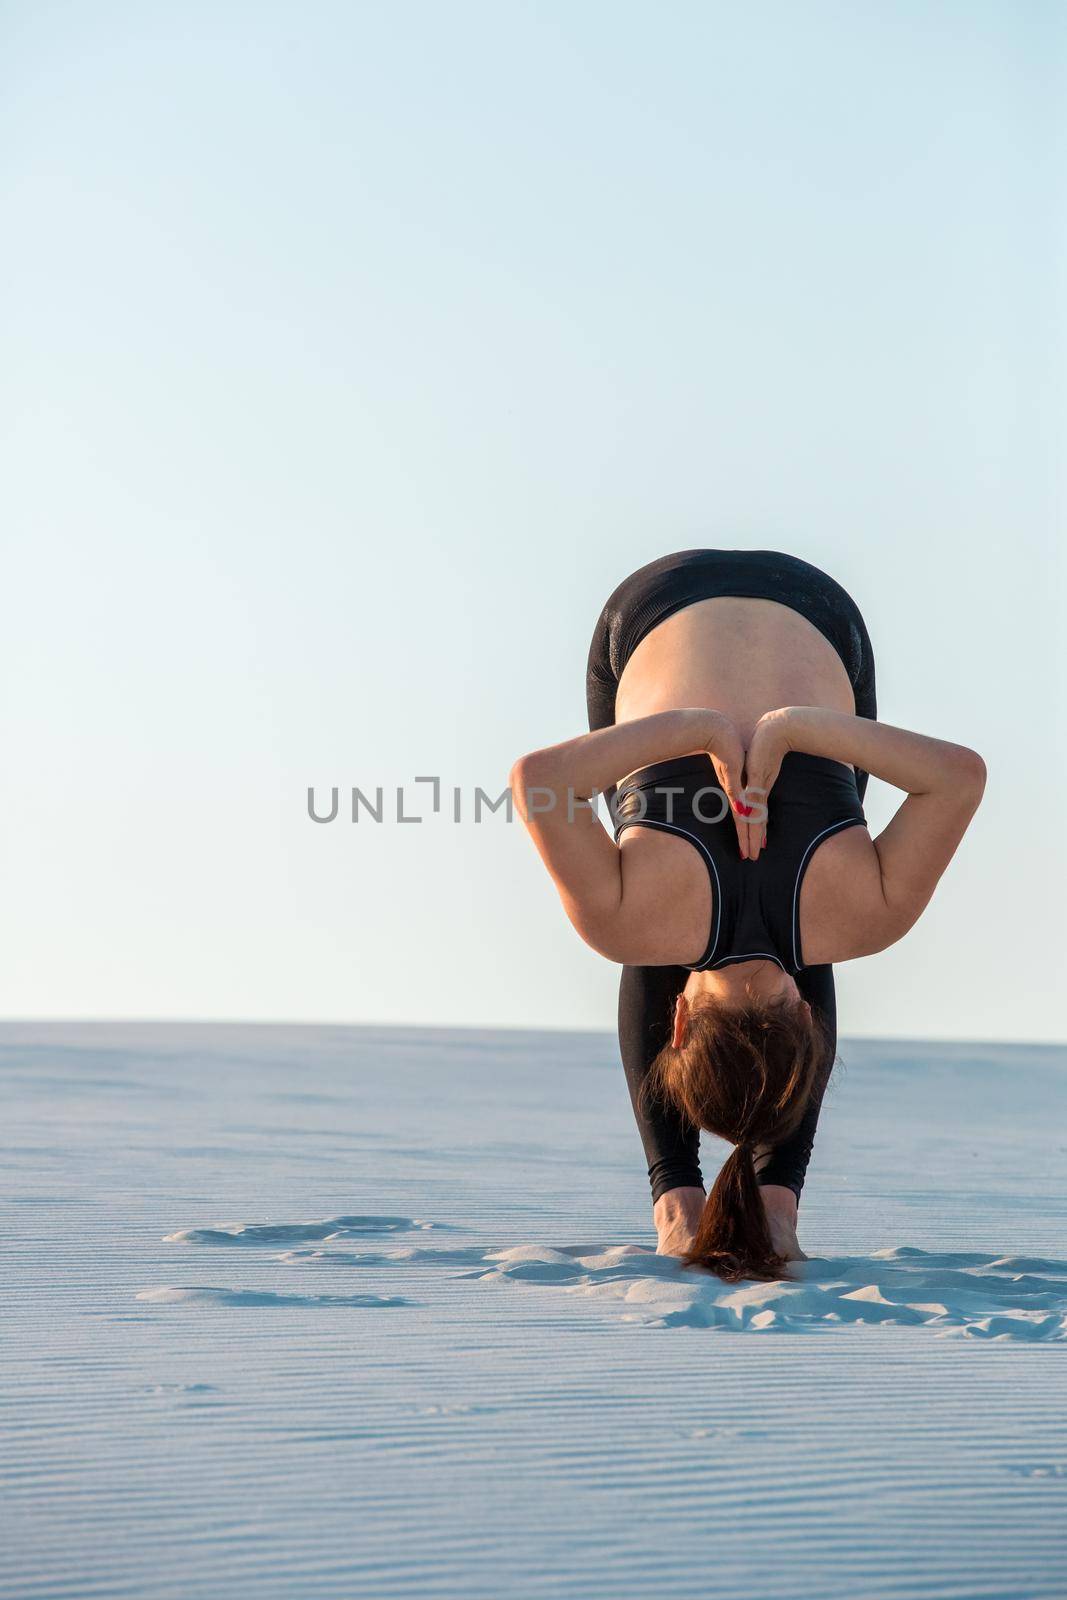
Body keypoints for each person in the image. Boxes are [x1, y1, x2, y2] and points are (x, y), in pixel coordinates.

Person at [511, 550, 985, 1282]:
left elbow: (958, 777)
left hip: (821, 615)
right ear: (675, 1022)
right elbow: (539, 783)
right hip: (646, 616)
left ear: (809, 1016)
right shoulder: (624, 922)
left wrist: (795, 727)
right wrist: (696, 728)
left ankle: (764, 1206)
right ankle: (685, 1201)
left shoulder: (865, 917)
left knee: (807, 924)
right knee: (649, 924)